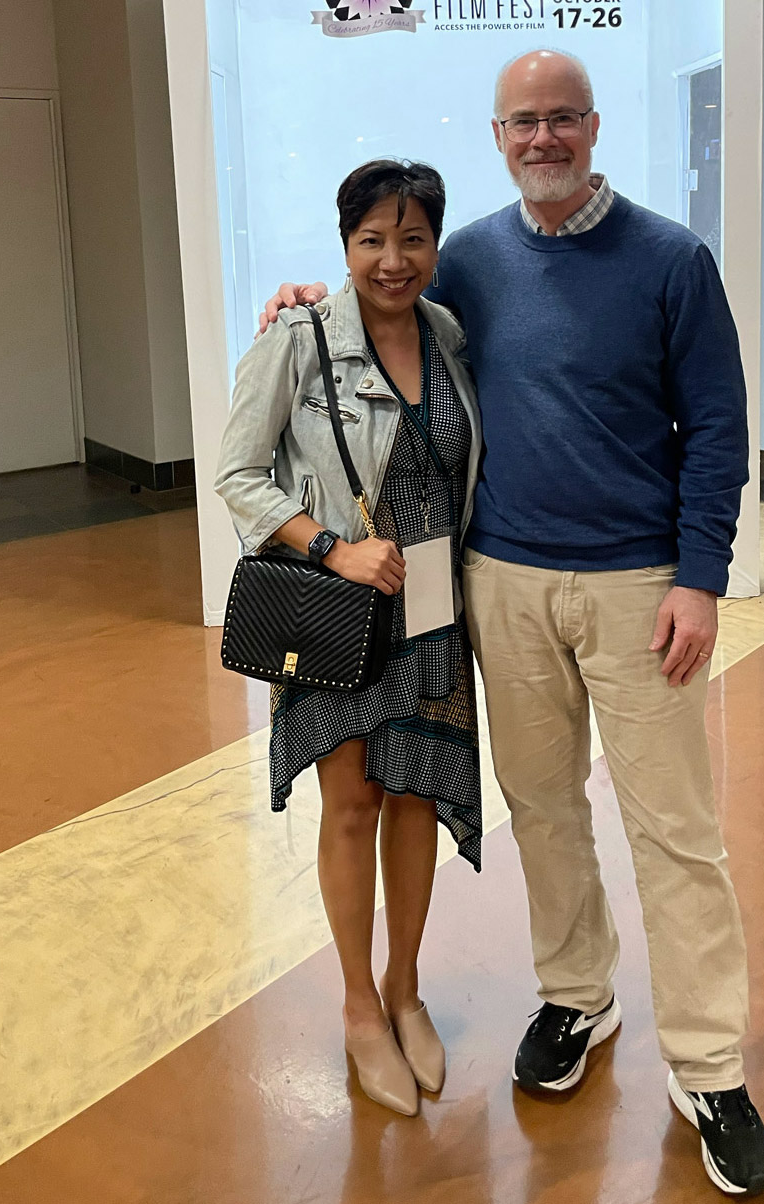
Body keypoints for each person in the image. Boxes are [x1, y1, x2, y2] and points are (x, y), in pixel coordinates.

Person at [259, 52, 764, 1196]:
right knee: (542, 806)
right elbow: (381, 306)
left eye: (561, 119)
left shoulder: (671, 261)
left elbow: (717, 427)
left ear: (592, 127)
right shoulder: (471, 262)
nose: (543, 138)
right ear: (498, 137)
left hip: (641, 587)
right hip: (499, 581)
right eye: (522, 122)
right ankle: (577, 996)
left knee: (675, 831)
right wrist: (303, 303)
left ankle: (709, 1065)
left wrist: (700, 576)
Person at [216, 160, 483, 1119]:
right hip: (342, 609)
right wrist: (334, 549)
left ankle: (407, 990)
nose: (392, 260)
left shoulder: (448, 335)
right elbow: (239, 475)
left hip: (432, 604)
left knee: (414, 797)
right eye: (372, 240)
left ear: (435, 246)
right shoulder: (299, 340)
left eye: (412, 239)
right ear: (345, 244)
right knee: (354, 804)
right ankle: (360, 1007)